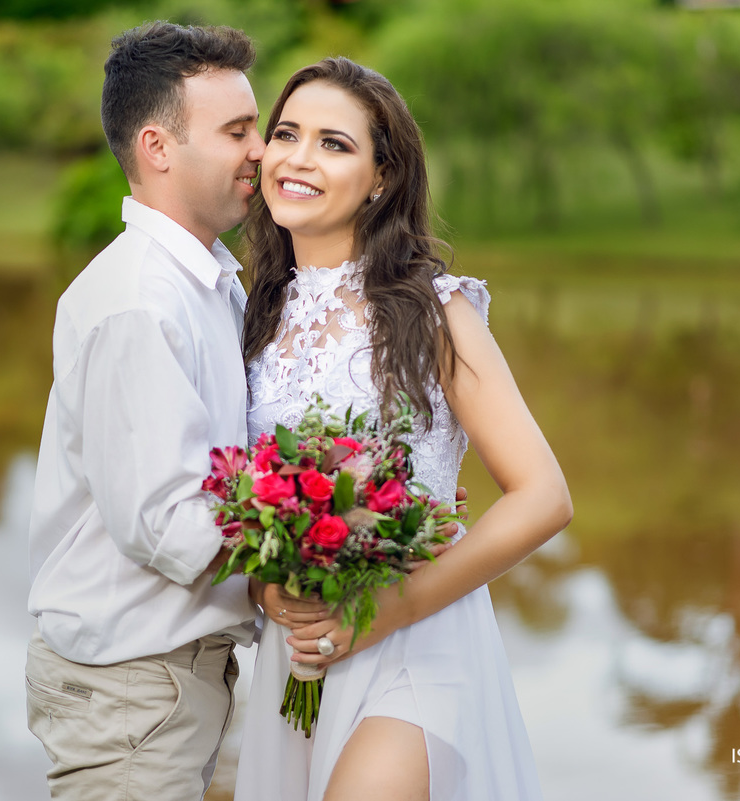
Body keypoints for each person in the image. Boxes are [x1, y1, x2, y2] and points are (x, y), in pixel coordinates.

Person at [234, 58, 574, 801]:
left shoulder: (433, 309)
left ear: (382, 176)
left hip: (422, 642)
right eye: (287, 133)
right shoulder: (247, 316)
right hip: (304, 655)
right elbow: (235, 501)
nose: (298, 157)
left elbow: (543, 493)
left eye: (334, 143)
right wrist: (270, 593)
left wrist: (397, 609)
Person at [23, 22, 268, 800]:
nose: (260, 149)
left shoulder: (206, 284)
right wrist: (319, 542)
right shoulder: (138, 300)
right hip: (133, 693)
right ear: (159, 147)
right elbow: (168, 524)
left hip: (187, 676)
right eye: (236, 130)